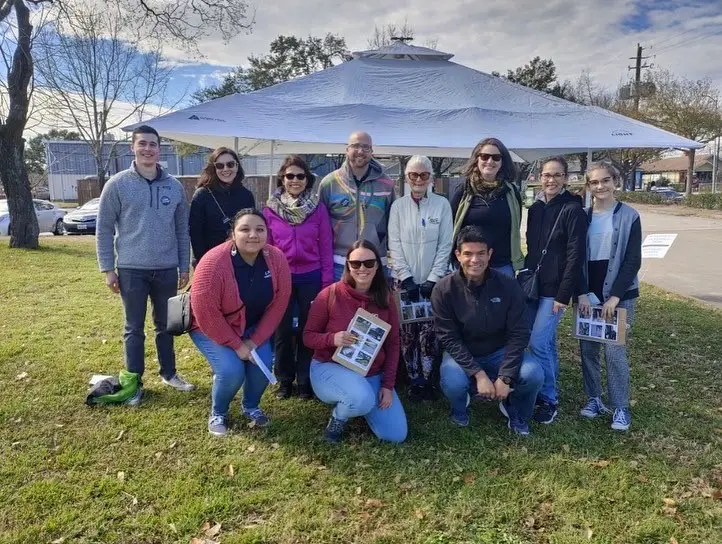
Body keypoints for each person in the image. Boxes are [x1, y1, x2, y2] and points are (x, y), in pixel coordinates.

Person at [96, 125, 194, 405]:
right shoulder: (117, 184)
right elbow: (103, 229)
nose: (148, 149)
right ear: (133, 147)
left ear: (159, 149)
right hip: (131, 269)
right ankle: (134, 381)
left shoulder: (173, 187)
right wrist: (107, 269)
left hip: (166, 269)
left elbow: (181, 230)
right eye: (142, 144)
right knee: (134, 328)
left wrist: (183, 266)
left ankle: (169, 373)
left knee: (166, 325)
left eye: (153, 144)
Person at [432, 226, 543, 436]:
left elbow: (519, 333)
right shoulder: (443, 290)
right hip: (463, 351)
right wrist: (479, 374)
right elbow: (448, 337)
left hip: (499, 351)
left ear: (490, 254)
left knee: (534, 374)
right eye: (468, 254)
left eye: (481, 253)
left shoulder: (509, 286)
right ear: (458, 255)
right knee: (453, 381)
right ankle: (460, 407)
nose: (475, 260)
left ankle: (514, 408)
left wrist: (507, 376)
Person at [189, 209, 291, 436]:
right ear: (233, 234)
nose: (253, 235)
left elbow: (279, 303)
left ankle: (251, 406)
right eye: (244, 229)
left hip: (252, 327)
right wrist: (237, 345)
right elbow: (206, 313)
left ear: (267, 233)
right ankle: (219, 412)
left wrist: (254, 341)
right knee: (231, 371)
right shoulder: (213, 262)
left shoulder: (276, 258)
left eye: (259, 229)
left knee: (263, 366)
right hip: (212, 328)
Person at [303, 240, 407, 444]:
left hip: (371, 373)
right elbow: (308, 336)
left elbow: (393, 344)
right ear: (348, 265)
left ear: (377, 265)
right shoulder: (330, 294)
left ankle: (358, 401)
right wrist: (333, 338)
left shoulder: (385, 299)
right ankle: (339, 417)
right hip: (329, 367)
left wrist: (387, 385)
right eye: (356, 263)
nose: (362, 268)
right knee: (362, 399)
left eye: (369, 263)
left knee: (395, 435)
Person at [577, 162, 642, 432]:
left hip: (620, 294)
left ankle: (620, 407)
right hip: (587, 295)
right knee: (588, 351)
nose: (600, 186)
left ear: (616, 181)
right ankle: (594, 398)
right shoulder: (582, 216)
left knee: (615, 353)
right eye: (594, 182)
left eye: (606, 180)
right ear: (588, 186)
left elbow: (632, 260)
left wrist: (615, 296)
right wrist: (580, 292)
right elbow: (576, 257)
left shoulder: (629, 216)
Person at [264, 155, 334, 400]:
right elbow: (268, 249)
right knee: (282, 329)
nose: (295, 180)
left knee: (308, 328)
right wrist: (271, 280)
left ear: (307, 179)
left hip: (311, 277)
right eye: (290, 175)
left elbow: (326, 247)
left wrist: (326, 284)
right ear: (282, 178)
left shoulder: (317, 208)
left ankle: (305, 380)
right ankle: (284, 379)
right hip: (282, 278)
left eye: (300, 176)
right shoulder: (270, 210)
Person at [524, 157, 587, 424]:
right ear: (540, 176)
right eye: (547, 175)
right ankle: (547, 390)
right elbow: (531, 247)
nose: (551, 180)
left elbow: (575, 255)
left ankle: (548, 398)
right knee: (545, 342)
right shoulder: (535, 208)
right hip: (534, 286)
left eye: (557, 175)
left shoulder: (573, 210)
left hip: (555, 291)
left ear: (566, 178)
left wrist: (564, 294)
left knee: (538, 341)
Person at [387, 155, 453, 400]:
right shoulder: (398, 207)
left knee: (430, 331)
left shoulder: (442, 205)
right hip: (406, 283)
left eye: (423, 175)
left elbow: (445, 244)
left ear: (431, 178)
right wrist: (406, 277)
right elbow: (394, 243)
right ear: (406, 178)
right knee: (407, 333)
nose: (418, 179)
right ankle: (414, 379)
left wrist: (434, 278)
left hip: (432, 283)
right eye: (413, 175)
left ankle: (429, 378)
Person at [318, 131, 396, 281]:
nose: (360, 151)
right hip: (339, 264)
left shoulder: (386, 184)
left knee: (375, 305)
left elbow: (393, 225)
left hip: (374, 263)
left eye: (366, 147)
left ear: (372, 151)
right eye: (355, 146)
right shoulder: (329, 183)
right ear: (346, 149)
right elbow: (320, 225)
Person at [450, 137, 523, 276]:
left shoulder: (511, 192)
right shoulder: (464, 190)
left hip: (501, 266)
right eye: (484, 156)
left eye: (496, 157)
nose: (490, 161)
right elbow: (451, 225)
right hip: (469, 265)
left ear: (502, 162)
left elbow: (515, 226)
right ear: (477, 159)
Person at [189, 147, 255, 264]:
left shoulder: (246, 195)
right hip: (211, 260)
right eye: (220, 166)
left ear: (237, 166)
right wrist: (203, 262)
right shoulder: (202, 195)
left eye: (230, 164)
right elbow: (195, 234)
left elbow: (251, 228)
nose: (226, 169)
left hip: (240, 260)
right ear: (214, 169)